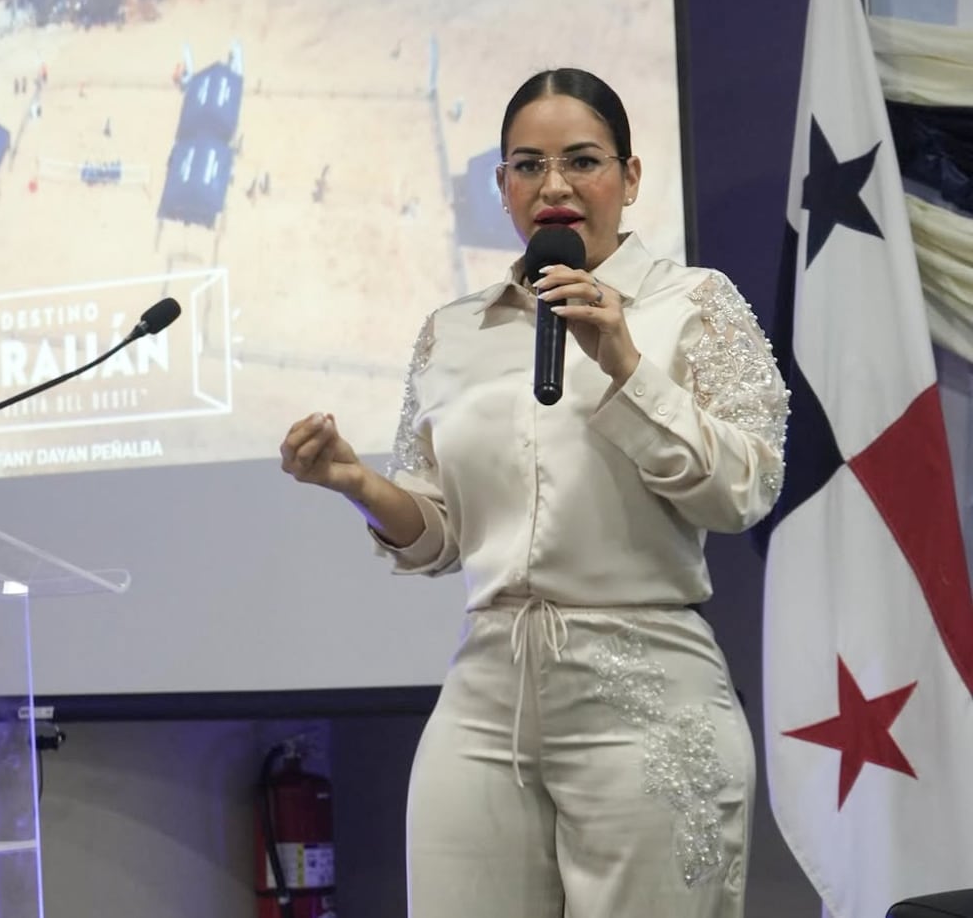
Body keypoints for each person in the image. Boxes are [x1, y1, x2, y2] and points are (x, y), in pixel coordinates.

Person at [278, 68, 788, 918]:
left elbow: (742, 488)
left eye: (582, 160)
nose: (553, 185)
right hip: (485, 696)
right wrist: (358, 483)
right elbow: (438, 534)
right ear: (502, 187)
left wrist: (623, 362)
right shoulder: (454, 330)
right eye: (526, 165)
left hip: (646, 694)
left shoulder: (694, 305)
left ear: (629, 177)